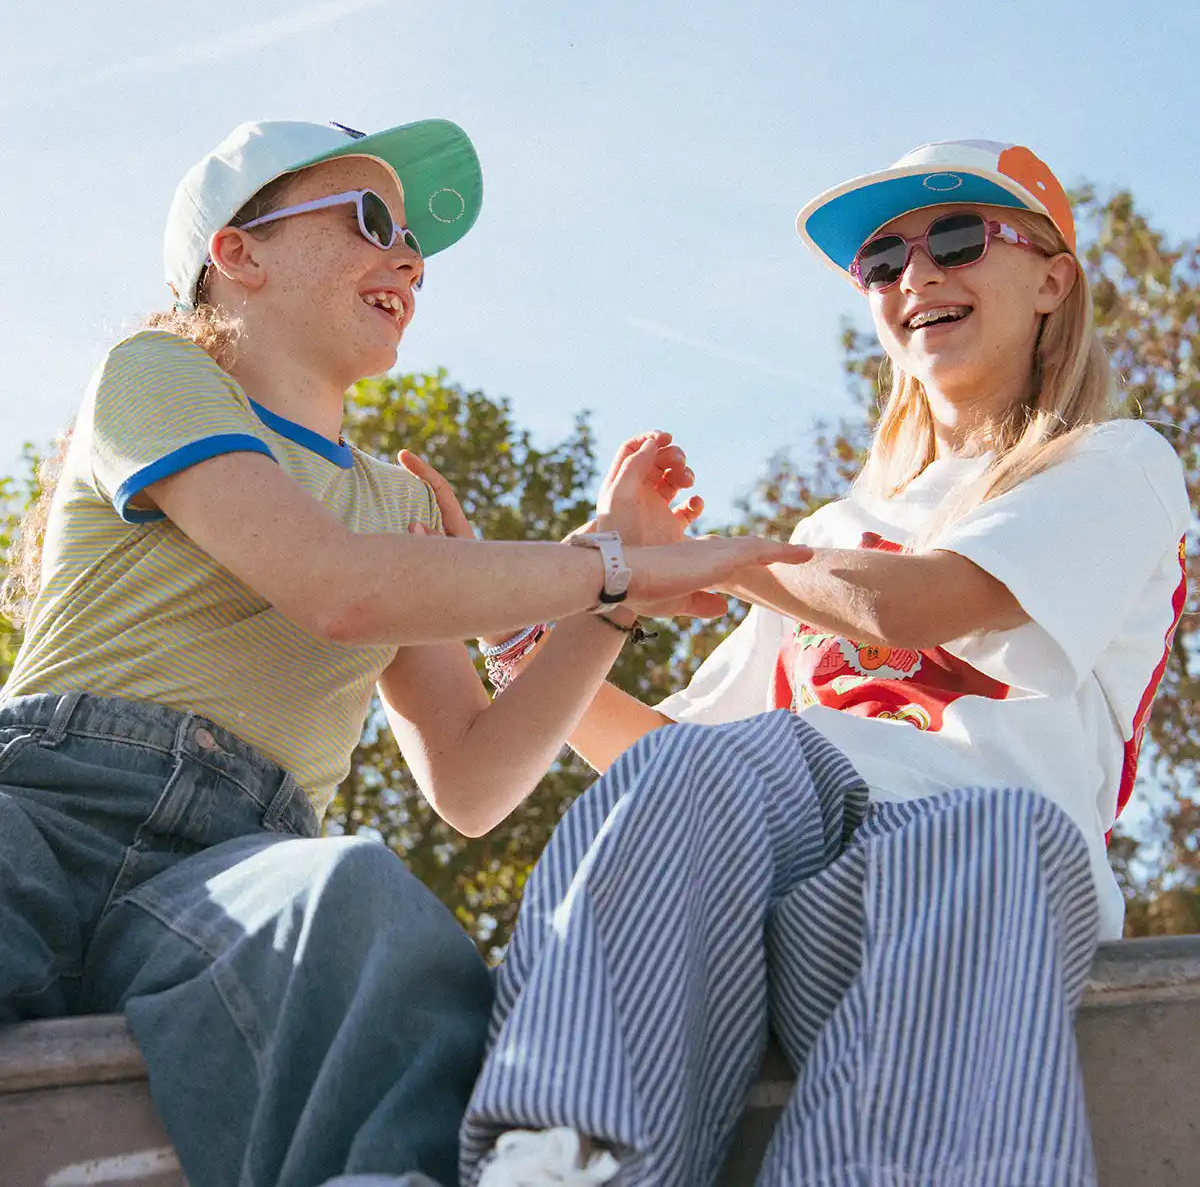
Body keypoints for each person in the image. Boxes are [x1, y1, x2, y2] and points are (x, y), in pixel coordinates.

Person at [0, 117, 809, 1187]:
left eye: (416, 244)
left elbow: (472, 778)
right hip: (48, 800)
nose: (411, 259)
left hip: (234, 865)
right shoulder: (152, 376)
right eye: (372, 220)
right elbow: (333, 584)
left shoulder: (398, 507)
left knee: (362, 908)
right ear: (237, 255)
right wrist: (611, 566)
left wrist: (605, 610)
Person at [446, 140, 1191, 1186]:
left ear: (1051, 279)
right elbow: (667, 757)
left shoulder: (1115, 467)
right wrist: (528, 634)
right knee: (695, 772)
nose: (917, 276)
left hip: (957, 883)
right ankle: (573, 1154)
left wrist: (698, 564)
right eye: (884, 263)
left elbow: (909, 608)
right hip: (778, 867)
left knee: (992, 835)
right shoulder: (834, 528)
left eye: (960, 239)